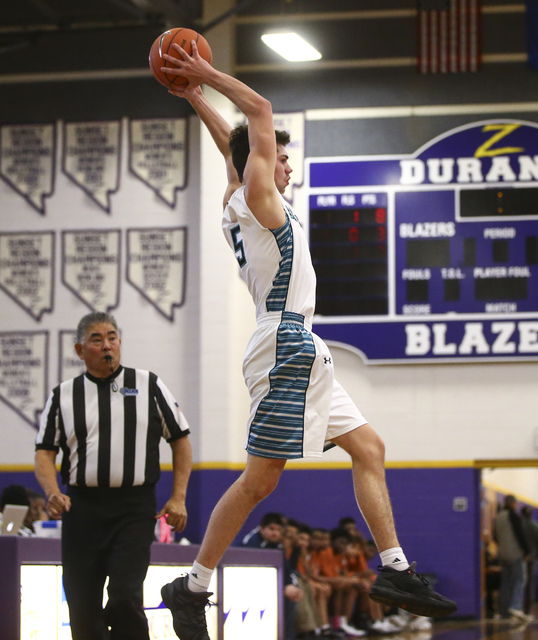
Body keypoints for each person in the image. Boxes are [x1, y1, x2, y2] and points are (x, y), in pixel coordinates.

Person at [158, 41, 457, 640]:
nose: (287, 166)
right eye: (281, 160)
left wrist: (195, 97)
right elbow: (261, 112)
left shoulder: (238, 200)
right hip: (284, 344)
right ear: (263, 168)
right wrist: (208, 75)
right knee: (259, 482)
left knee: (368, 448)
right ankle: (190, 586)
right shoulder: (262, 201)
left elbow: (233, 144)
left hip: (297, 344)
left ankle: (395, 569)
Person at [34, 311, 193, 640]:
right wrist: (52, 492)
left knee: (124, 596)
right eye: (96, 339)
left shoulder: (148, 384)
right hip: (81, 508)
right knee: (81, 603)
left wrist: (178, 497)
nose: (107, 345)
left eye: (112, 337)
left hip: (133, 507)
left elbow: (180, 440)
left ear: (120, 342)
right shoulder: (63, 395)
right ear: (80, 350)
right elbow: (44, 452)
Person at [493, 495, 532, 622]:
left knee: (505, 583)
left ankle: (504, 611)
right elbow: (520, 534)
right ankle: (516, 606)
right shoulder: (513, 516)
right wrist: (527, 551)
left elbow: (495, 537)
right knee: (519, 580)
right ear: (513, 503)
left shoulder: (498, 517)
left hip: (502, 554)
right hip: (515, 553)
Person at [520, 506, 538, 614]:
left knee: (518, 582)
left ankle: (517, 608)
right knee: (526, 583)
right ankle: (526, 609)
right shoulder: (534, 525)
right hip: (531, 558)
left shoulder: (518, 525)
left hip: (519, 556)